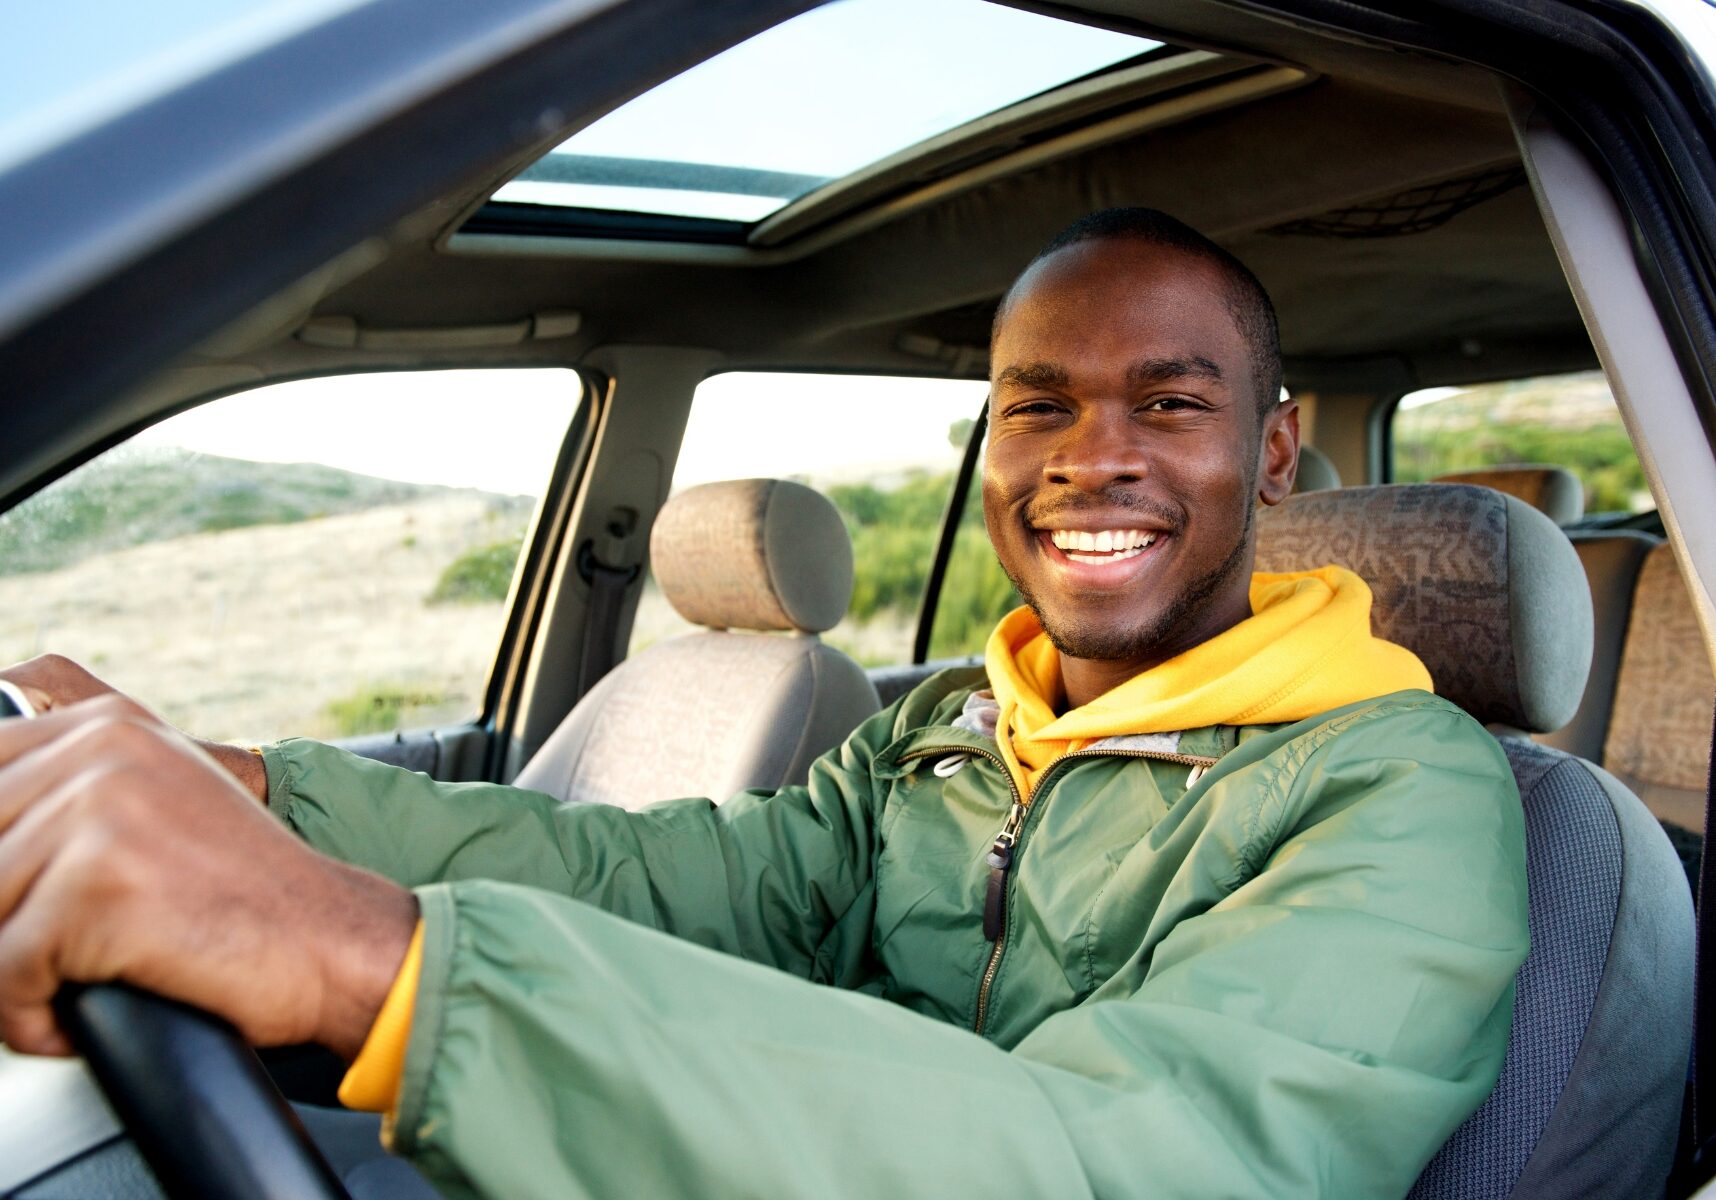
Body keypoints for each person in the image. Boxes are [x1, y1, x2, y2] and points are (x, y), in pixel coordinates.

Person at [0, 209, 1527, 1198]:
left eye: (1171, 403)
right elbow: (667, 880)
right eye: (1039, 404)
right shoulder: (943, 734)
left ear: (1272, 455)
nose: (1092, 456)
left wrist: (374, 964)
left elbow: (1117, 1167)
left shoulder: (1404, 799)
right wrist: (264, 797)